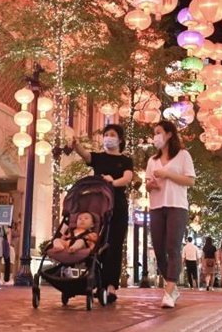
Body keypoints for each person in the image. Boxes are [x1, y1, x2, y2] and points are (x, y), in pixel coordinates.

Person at [72, 123, 133, 303]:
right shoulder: (98, 158)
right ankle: (97, 282)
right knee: (96, 243)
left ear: (120, 139)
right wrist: (76, 145)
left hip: (118, 205)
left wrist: (112, 182)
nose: (108, 137)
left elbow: (127, 178)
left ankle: (111, 285)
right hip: (98, 206)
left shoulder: (126, 160)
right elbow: (85, 154)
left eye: (112, 134)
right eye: (106, 134)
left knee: (114, 244)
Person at [145, 120, 196, 308]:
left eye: (158, 132)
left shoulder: (183, 155)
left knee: (172, 247)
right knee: (159, 249)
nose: (155, 136)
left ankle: (168, 291)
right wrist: (151, 185)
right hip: (157, 206)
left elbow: (190, 181)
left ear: (169, 135)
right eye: (154, 133)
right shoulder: (152, 160)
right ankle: (172, 286)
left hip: (177, 206)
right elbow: (148, 184)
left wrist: (167, 175)